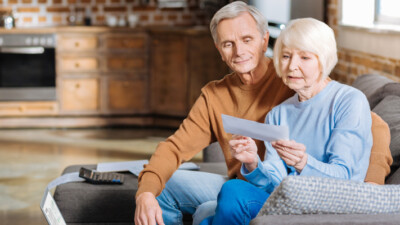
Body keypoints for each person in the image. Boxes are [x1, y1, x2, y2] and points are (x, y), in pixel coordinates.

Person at [134, 2, 392, 225]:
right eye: (228, 44)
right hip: (257, 184)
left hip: (299, 190)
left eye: (246, 40)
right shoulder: (226, 98)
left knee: (213, 207)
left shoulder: (294, 79)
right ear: (218, 49)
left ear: (263, 39)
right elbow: (175, 148)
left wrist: (369, 193)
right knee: (161, 188)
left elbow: (374, 126)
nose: (239, 51)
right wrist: (145, 193)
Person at [200, 17, 375, 225]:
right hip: (289, 202)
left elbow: (344, 177)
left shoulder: (348, 101)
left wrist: (303, 163)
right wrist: (253, 163)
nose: (292, 66)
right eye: (285, 56)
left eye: (305, 58)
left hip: (331, 207)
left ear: (324, 59)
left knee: (226, 199)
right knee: (216, 208)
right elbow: (274, 183)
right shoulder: (278, 113)